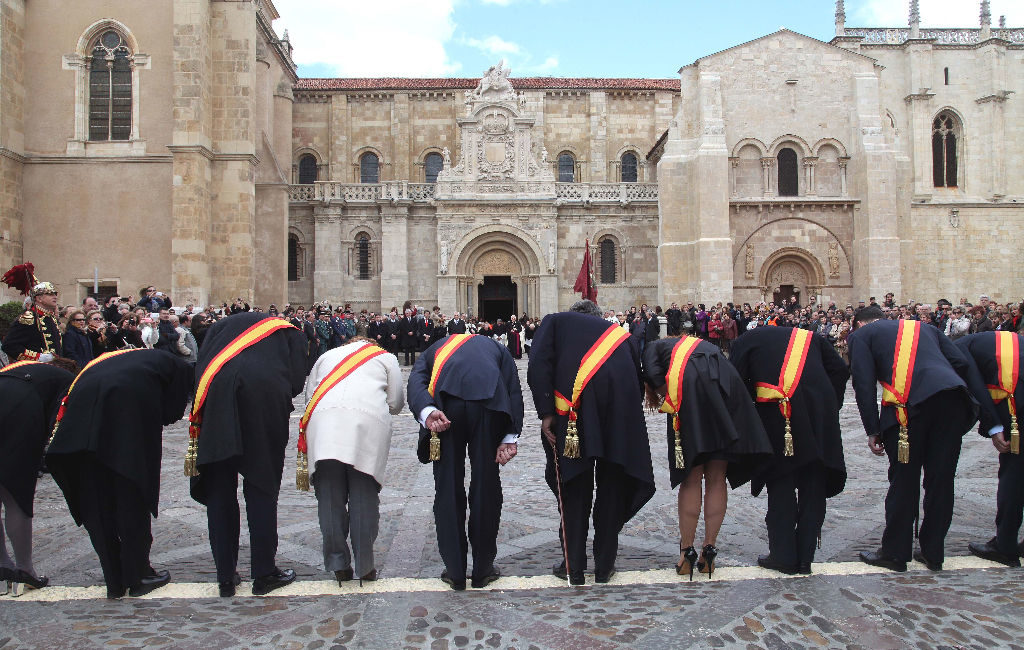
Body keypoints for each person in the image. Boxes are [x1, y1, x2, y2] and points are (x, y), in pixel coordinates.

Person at [848, 306, 994, 571]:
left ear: (858, 323)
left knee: (904, 478)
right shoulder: (925, 327)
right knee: (941, 479)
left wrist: (873, 429)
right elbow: (959, 362)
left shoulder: (862, 336)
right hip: (952, 401)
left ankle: (895, 553)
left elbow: (863, 382)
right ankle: (933, 551)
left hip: (907, 411)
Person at [46, 349, 193, 599]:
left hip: (79, 438)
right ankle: (138, 575)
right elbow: (171, 412)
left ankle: (114, 580)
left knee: (96, 508)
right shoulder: (178, 369)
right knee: (131, 502)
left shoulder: (112, 362)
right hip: (123, 438)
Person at [527, 300, 655, 585]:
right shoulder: (623, 337)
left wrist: (546, 413)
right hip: (619, 423)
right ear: (599, 318)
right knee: (612, 487)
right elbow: (637, 381)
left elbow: (538, 365)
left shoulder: (556, 322)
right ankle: (604, 565)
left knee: (573, 489)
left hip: (572, 420)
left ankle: (574, 566)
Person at [186, 313, 308, 597]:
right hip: (263, 405)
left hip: (215, 405)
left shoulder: (218, 330)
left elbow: (200, 370)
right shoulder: (289, 332)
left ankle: (225, 577)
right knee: (262, 489)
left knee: (219, 491)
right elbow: (296, 382)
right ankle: (264, 572)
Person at [641, 335, 771, 580]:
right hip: (726, 392)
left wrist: (666, 396)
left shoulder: (654, 346)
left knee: (691, 477)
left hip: (690, 393)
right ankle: (709, 549)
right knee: (716, 476)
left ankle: (686, 552)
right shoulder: (705, 346)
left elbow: (652, 371)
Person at [407, 330, 523, 590]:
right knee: (486, 485)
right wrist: (510, 435)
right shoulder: (495, 347)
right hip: (488, 407)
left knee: (447, 486)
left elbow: (416, 380)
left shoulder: (435, 348)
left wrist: (427, 411)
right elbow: (513, 387)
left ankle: (455, 570)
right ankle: (483, 570)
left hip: (446, 409)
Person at [730, 325, 850, 575]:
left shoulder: (745, 341)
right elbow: (839, 370)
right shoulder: (812, 338)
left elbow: (736, 384)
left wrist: (752, 412)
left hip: (776, 414)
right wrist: (829, 404)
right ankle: (806, 558)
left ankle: (783, 555)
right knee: (813, 479)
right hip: (818, 416)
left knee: (781, 480)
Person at [300, 336, 405, 585]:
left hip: (323, 427)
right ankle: (365, 566)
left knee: (329, 499)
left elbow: (309, 397)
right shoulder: (385, 358)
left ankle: (338, 563)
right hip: (365, 428)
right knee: (363, 498)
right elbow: (396, 402)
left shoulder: (326, 357)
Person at [0, 358, 75, 593]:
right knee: (16, 494)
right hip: (21, 408)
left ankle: (2, 567)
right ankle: (24, 570)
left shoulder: (21, 368)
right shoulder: (68, 380)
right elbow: (61, 422)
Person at [956, 331, 1023, 567]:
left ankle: (1004, 546)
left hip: (1016, 407)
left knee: (1014, 475)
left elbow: (975, 385)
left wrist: (994, 425)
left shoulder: (959, 348)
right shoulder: (1004, 340)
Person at [1, 268, 63, 363]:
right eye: (50, 294)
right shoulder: (28, 318)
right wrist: (38, 357)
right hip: (34, 369)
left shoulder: (50, 318)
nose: (55, 296)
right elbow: (9, 345)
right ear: (39, 298)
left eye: (55, 293)